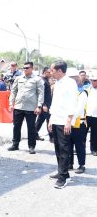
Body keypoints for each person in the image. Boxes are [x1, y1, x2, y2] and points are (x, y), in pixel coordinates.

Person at [48, 60, 77, 189]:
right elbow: (55, 103)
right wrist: (50, 119)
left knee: (64, 149)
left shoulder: (70, 83)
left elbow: (72, 103)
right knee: (58, 148)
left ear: (60, 71)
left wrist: (69, 121)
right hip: (56, 119)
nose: (51, 72)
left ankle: (63, 177)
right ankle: (62, 172)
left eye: (53, 70)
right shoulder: (58, 83)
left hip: (64, 121)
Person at [8, 62, 44, 154]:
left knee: (31, 128)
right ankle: (15, 144)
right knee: (16, 126)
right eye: (23, 68)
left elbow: (40, 93)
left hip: (31, 108)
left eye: (27, 68)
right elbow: (13, 91)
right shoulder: (18, 78)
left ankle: (31, 146)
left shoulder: (37, 79)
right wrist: (11, 103)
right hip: (18, 106)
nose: (25, 69)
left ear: (32, 68)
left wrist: (39, 106)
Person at [67, 69, 88, 174]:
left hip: (78, 123)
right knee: (69, 144)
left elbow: (78, 110)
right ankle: (70, 164)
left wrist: (69, 121)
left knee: (79, 145)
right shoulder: (70, 92)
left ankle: (81, 165)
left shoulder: (82, 93)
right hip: (69, 123)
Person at [35, 67, 53, 141]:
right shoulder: (43, 81)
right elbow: (41, 94)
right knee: (49, 120)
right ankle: (52, 137)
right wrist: (44, 105)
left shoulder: (46, 80)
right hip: (45, 104)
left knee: (40, 120)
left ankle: (34, 134)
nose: (50, 73)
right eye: (49, 72)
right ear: (45, 72)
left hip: (46, 103)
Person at [85, 72, 97, 156]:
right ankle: (80, 148)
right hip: (87, 115)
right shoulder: (87, 89)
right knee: (83, 133)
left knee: (95, 134)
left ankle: (94, 149)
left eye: (95, 80)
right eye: (92, 80)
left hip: (96, 115)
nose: (93, 82)